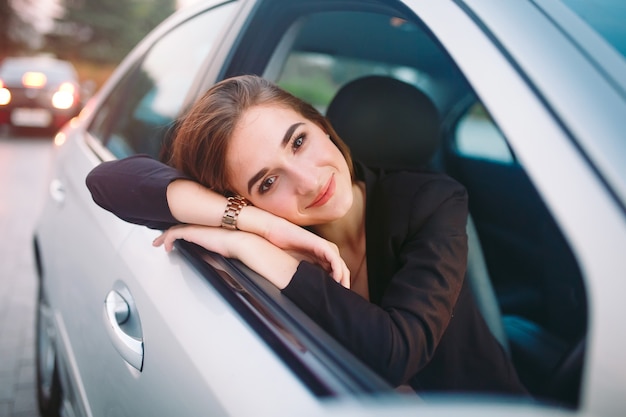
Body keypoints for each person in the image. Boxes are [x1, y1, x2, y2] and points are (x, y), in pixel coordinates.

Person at [86, 75, 527, 395]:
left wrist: (258, 248)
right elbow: (107, 182)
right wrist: (254, 225)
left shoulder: (431, 200)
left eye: (297, 142)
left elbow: (396, 354)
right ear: (245, 198)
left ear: (320, 124)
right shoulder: (255, 224)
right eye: (267, 183)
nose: (309, 181)